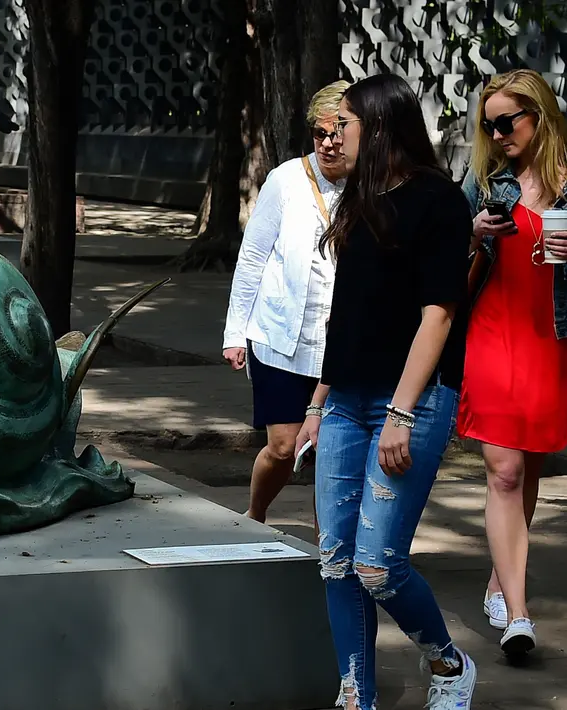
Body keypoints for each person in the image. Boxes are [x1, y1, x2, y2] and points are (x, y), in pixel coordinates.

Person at [295, 74, 477, 710]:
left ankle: (449, 664)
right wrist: (318, 405)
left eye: (345, 122)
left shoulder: (439, 202)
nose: (334, 134)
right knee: (335, 559)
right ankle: (355, 697)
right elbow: (344, 316)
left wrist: (401, 412)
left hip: (413, 403)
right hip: (344, 400)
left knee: (378, 564)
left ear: (380, 126)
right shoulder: (359, 198)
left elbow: (440, 316)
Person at [458, 68, 567, 657]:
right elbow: (440, 264)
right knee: (503, 471)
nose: (497, 134)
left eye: (507, 122)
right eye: (489, 124)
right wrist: (471, 236)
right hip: (492, 336)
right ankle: (517, 618)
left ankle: (504, 578)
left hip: (550, 338)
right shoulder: (482, 182)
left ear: (540, 116)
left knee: (530, 465)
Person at [222, 79, 351, 523]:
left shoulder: (369, 184)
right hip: (279, 336)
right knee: (283, 446)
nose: (329, 144)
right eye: (321, 134)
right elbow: (253, 256)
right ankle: (255, 513)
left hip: (339, 342)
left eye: (338, 133)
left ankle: (329, 552)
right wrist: (234, 333)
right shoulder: (286, 180)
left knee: (331, 452)